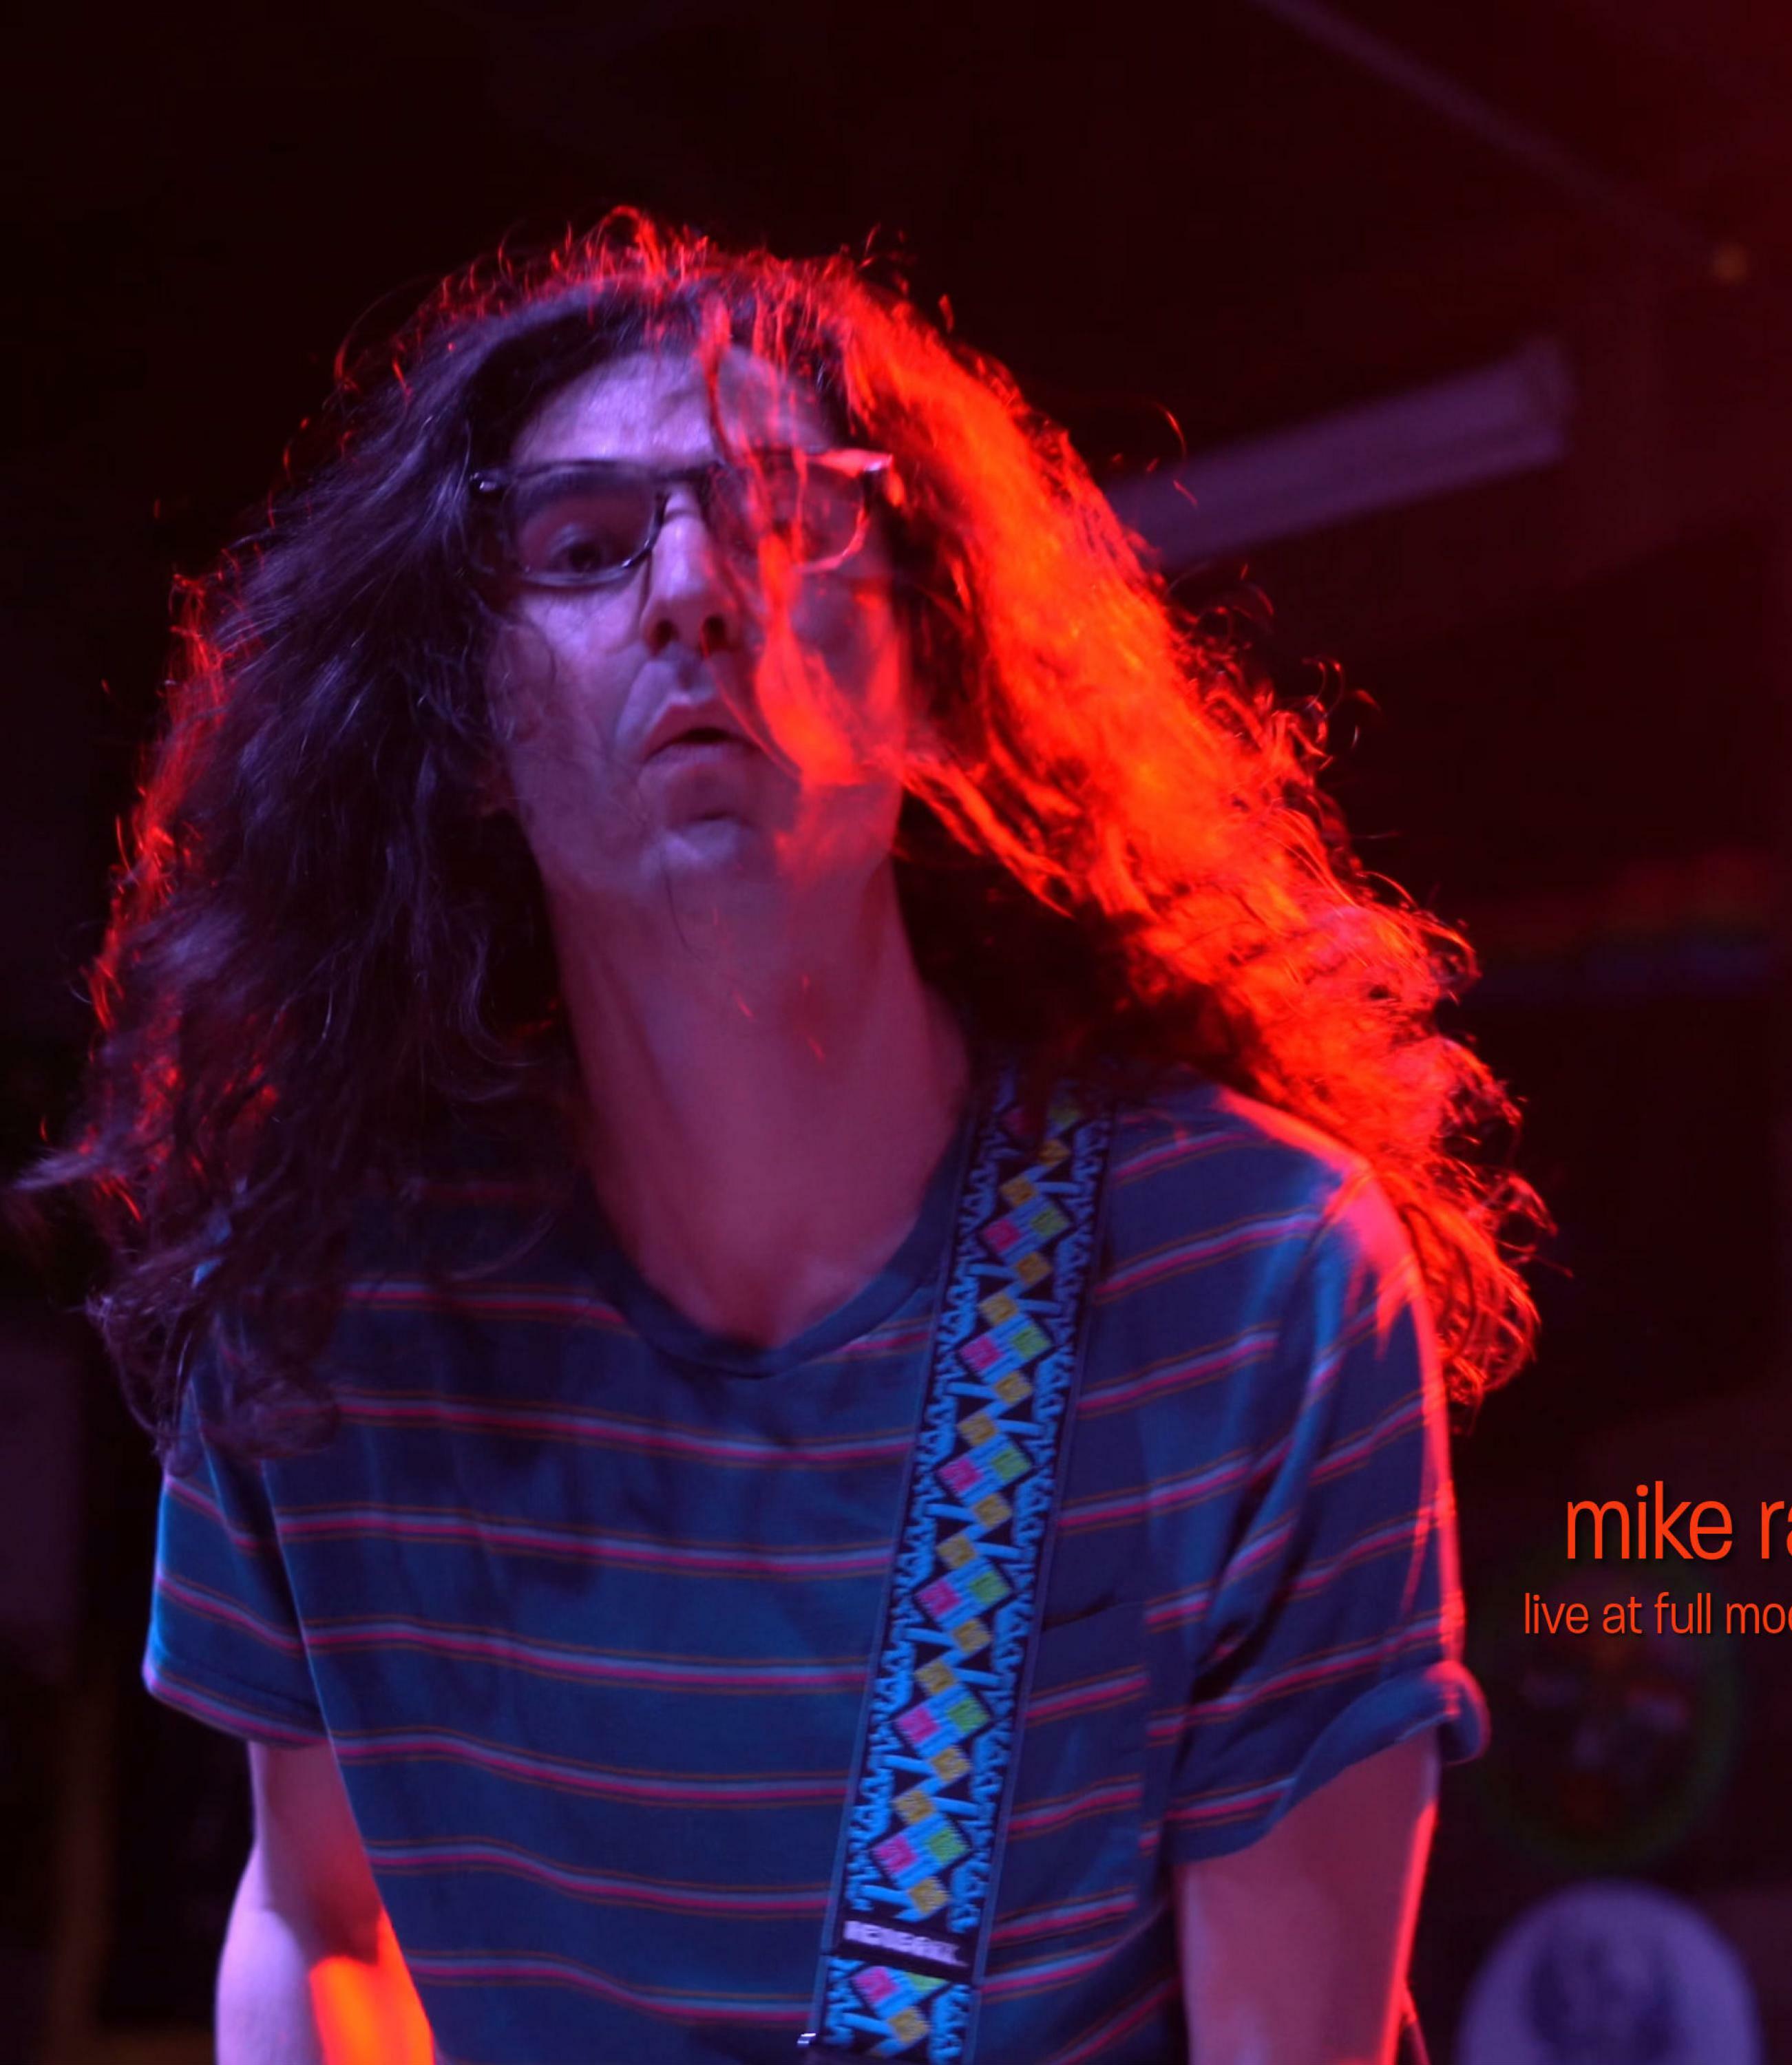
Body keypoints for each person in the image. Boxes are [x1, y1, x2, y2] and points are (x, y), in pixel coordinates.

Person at [30, 215, 1537, 2064]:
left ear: (936, 680)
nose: (691, 588)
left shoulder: (1252, 1277)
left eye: (786, 517)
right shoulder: (322, 1311)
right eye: (584, 546)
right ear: (471, 727)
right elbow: (317, 1915)